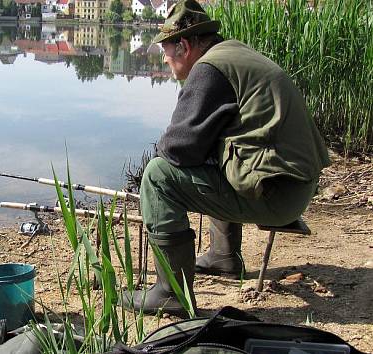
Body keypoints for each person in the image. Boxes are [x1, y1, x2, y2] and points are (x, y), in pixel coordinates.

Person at [122, 0, 330, 315]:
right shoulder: (233, 54)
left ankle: (170, 293)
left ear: (184, 45)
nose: (164, 60)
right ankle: (224, 257)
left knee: (157, 177)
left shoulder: (209, 70)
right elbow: (200, 143)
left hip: (278, 196)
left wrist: (142, 185)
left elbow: (177, 147)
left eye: (165, 52)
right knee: (210, 151)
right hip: (294, 186)